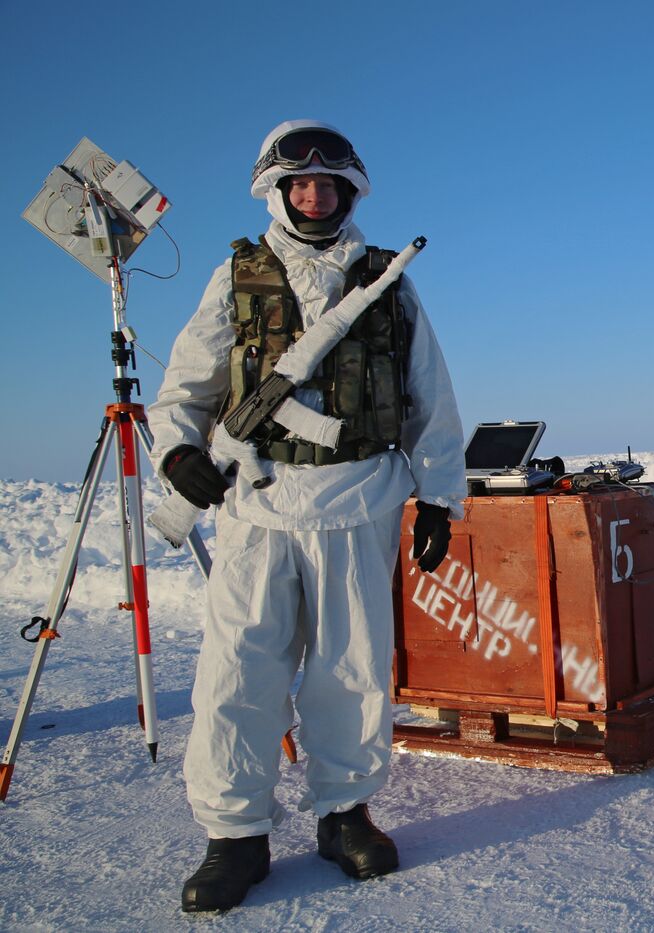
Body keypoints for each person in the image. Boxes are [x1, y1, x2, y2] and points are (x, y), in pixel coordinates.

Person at [148, 120, 467, 912]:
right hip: (258, 502)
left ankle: (344, 812)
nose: (315, 195)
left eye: (328, 184)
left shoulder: (386, 279)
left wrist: (439, 494)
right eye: (300, 183)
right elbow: (186, 383)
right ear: (278, 189)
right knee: (236, 671)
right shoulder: (236, 276)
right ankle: (234, 834)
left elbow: (431, 395)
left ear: (349, 190)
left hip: (358, 497)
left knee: (352, 670)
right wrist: (177, 454)